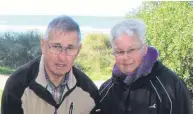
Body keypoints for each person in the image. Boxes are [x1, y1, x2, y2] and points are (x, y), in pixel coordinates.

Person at [1, 15, 100, 114]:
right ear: (43, 45)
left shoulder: (89, 92)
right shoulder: (17, 86)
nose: (62, 57)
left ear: (78, 50)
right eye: (56, 46)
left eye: (70, 48)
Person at [99, 19, 192, 114]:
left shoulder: (171, 86)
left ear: (144, 49)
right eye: (119, 51)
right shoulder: (105, 90)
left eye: (131, 50)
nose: (125, 57)